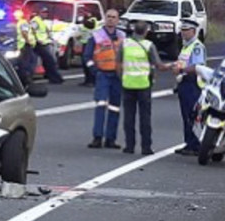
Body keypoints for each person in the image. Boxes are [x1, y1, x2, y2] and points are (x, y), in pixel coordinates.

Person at [118, 21, 169, 155]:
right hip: (143, 85)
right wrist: (172, 66)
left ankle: (129, 146)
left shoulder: (125, 44)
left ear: (134, 30)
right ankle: (146, 147)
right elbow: (159, 65)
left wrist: (121, 77)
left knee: (128, 117)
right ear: (146, 31)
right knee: (145, 117)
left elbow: (118, 63)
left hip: (127, 83)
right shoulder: (148, 45)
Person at [84, 9, 125, 149]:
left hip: (117, 76)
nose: (111, 19)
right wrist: (94, 71)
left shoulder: (122, 36)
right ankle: (97, 137)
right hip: (102, 74)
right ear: (105, 18)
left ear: (118, 20)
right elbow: (87, 56)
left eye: (114, 17)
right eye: (108, 17)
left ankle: (110, 139)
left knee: (115, 107)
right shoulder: (96, 35)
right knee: (100, 105)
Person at [172, 19, 208, 156]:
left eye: (186, 30)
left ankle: (196, 144)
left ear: (194, 31)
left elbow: (197, 66)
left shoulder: (197, 46)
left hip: (192, 84)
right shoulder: (185, 46)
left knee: (192, 115)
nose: (183, 33)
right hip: (184, 83)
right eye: (182, 30)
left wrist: (181, 71)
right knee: (186, 115)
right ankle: (189, 143)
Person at [31, 7, 64, 84]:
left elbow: (44, 32)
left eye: (46, 13)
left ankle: (52, 77)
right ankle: (55, 78)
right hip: (39, 44)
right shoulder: (35, 21)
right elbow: (32, 30)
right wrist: (37, 39)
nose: (46, 14)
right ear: (39, 13)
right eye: (44, 12)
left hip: (44, 43)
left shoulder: (41, 21)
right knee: (50, 61)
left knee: (48, 61)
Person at [15, 10, 37, 87]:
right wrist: (28, 41)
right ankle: (27, 79)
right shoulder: (24, 23)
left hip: (22, 45)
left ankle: (25, 78)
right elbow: (24, 32)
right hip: (25, 45)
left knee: (25, 63)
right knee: (29, 63)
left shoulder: (19, 23)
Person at [78, 17, 98, 87]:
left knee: (89, 63)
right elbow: (78, 36)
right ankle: (87, 80)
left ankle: (92, 80)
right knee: (84, 64)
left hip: (92, 46)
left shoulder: (96, 26)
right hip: (85, 45)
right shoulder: (83, 28)